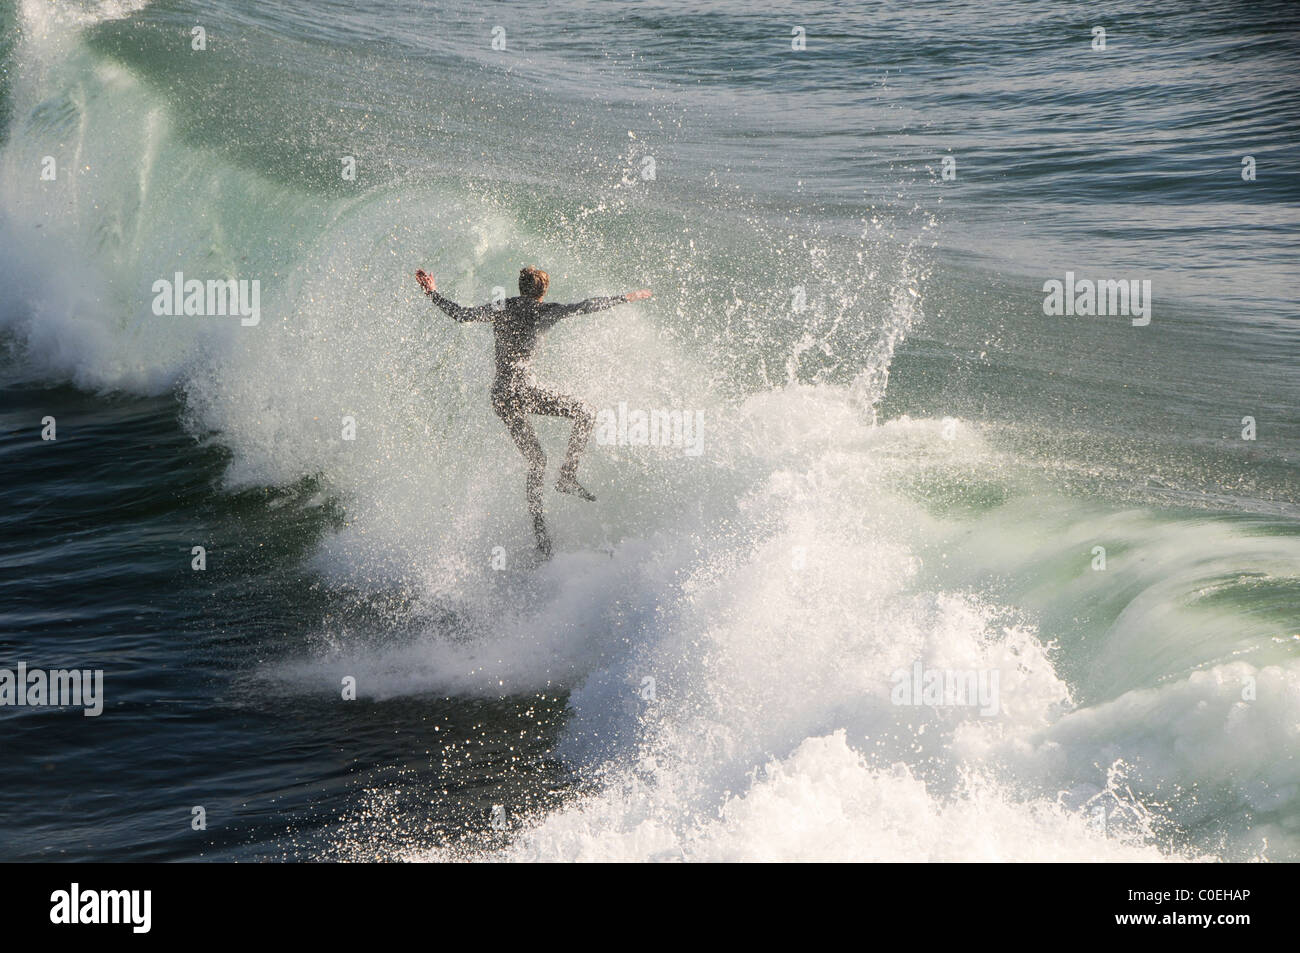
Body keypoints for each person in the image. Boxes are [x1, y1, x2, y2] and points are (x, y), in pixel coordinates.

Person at [415, 265, 650, 558]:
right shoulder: (546, 311)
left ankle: (541, 538)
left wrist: (433, 293)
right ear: (543, 291)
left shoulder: (502, 307)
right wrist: (625, 297)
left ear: (520, 287)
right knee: (586, 412)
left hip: (501, 395)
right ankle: (566, 475)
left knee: (537, 461)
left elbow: (461, 315)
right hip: (524, 389)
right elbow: (586, 307)